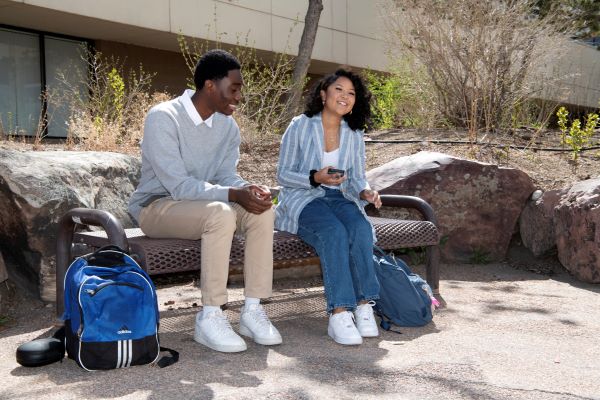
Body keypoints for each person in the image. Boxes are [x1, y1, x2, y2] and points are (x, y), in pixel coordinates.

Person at [128, 49, 282, 353]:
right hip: (157, 207)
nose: (238, 96)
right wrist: (231, 195)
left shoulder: (227, 127)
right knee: (221, 213)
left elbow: (226, 176)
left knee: (262, 212)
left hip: (204, 207)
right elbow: (179, 185)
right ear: (210, 85)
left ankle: (252, 310)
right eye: (234, 88)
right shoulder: (164, 117)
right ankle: (210, 315)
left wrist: (248, 189)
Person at [275, 68, 382, 345]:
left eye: (351, 93)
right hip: (305, 198)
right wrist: (314, 177)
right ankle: (339, 312)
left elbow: (357, 176)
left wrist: (366, 191)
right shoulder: (300, 125)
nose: (345, 96)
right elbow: (283, 174)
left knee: (359, 228)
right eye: (339, 90)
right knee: (334, 232)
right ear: (323, 94)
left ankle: (363, 305)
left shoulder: (354, 132)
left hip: (341, 197)